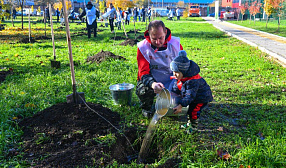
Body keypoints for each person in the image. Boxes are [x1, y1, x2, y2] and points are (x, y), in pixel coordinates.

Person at [136, 20, 184, 118]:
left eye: (161, 38)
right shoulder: (143, 48)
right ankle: (147, 107)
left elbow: (184, 66)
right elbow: (143, 72)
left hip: (172, 79)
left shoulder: (175, 44)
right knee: (144, 90)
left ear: (165, 32)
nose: (158, 42)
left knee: (189, 86)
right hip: (153, 79)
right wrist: (153, 84)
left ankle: (178, 104)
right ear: (149, 35)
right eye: (154, 39)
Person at [170, 50, 213, 134]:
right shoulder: (181, 77)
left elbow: (190, 96)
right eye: (173, 72)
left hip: (201, 98)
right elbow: (176, 87)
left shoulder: (192, 81)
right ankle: (189, 123)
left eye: (177, 72)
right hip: (193, 97)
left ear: (183, 71)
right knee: (189, 110)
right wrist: (172, 94)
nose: (174, 74)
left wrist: (181, 105)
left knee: (194, 111)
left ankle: (194, 126)